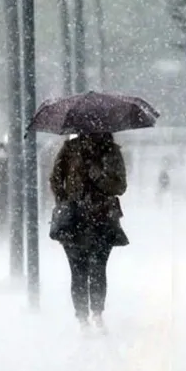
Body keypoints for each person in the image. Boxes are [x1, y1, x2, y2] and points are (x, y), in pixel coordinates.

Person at [49, 133, 129, 329]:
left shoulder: (111, 151)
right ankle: (83, 316)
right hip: (74, 220)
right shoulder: (70, 149)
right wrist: (65, 201)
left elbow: (120, 187)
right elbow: (55, 179)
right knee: (78, 271)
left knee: (98, 269)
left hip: (102, 219)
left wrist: (98, 176)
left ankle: (96, 313)